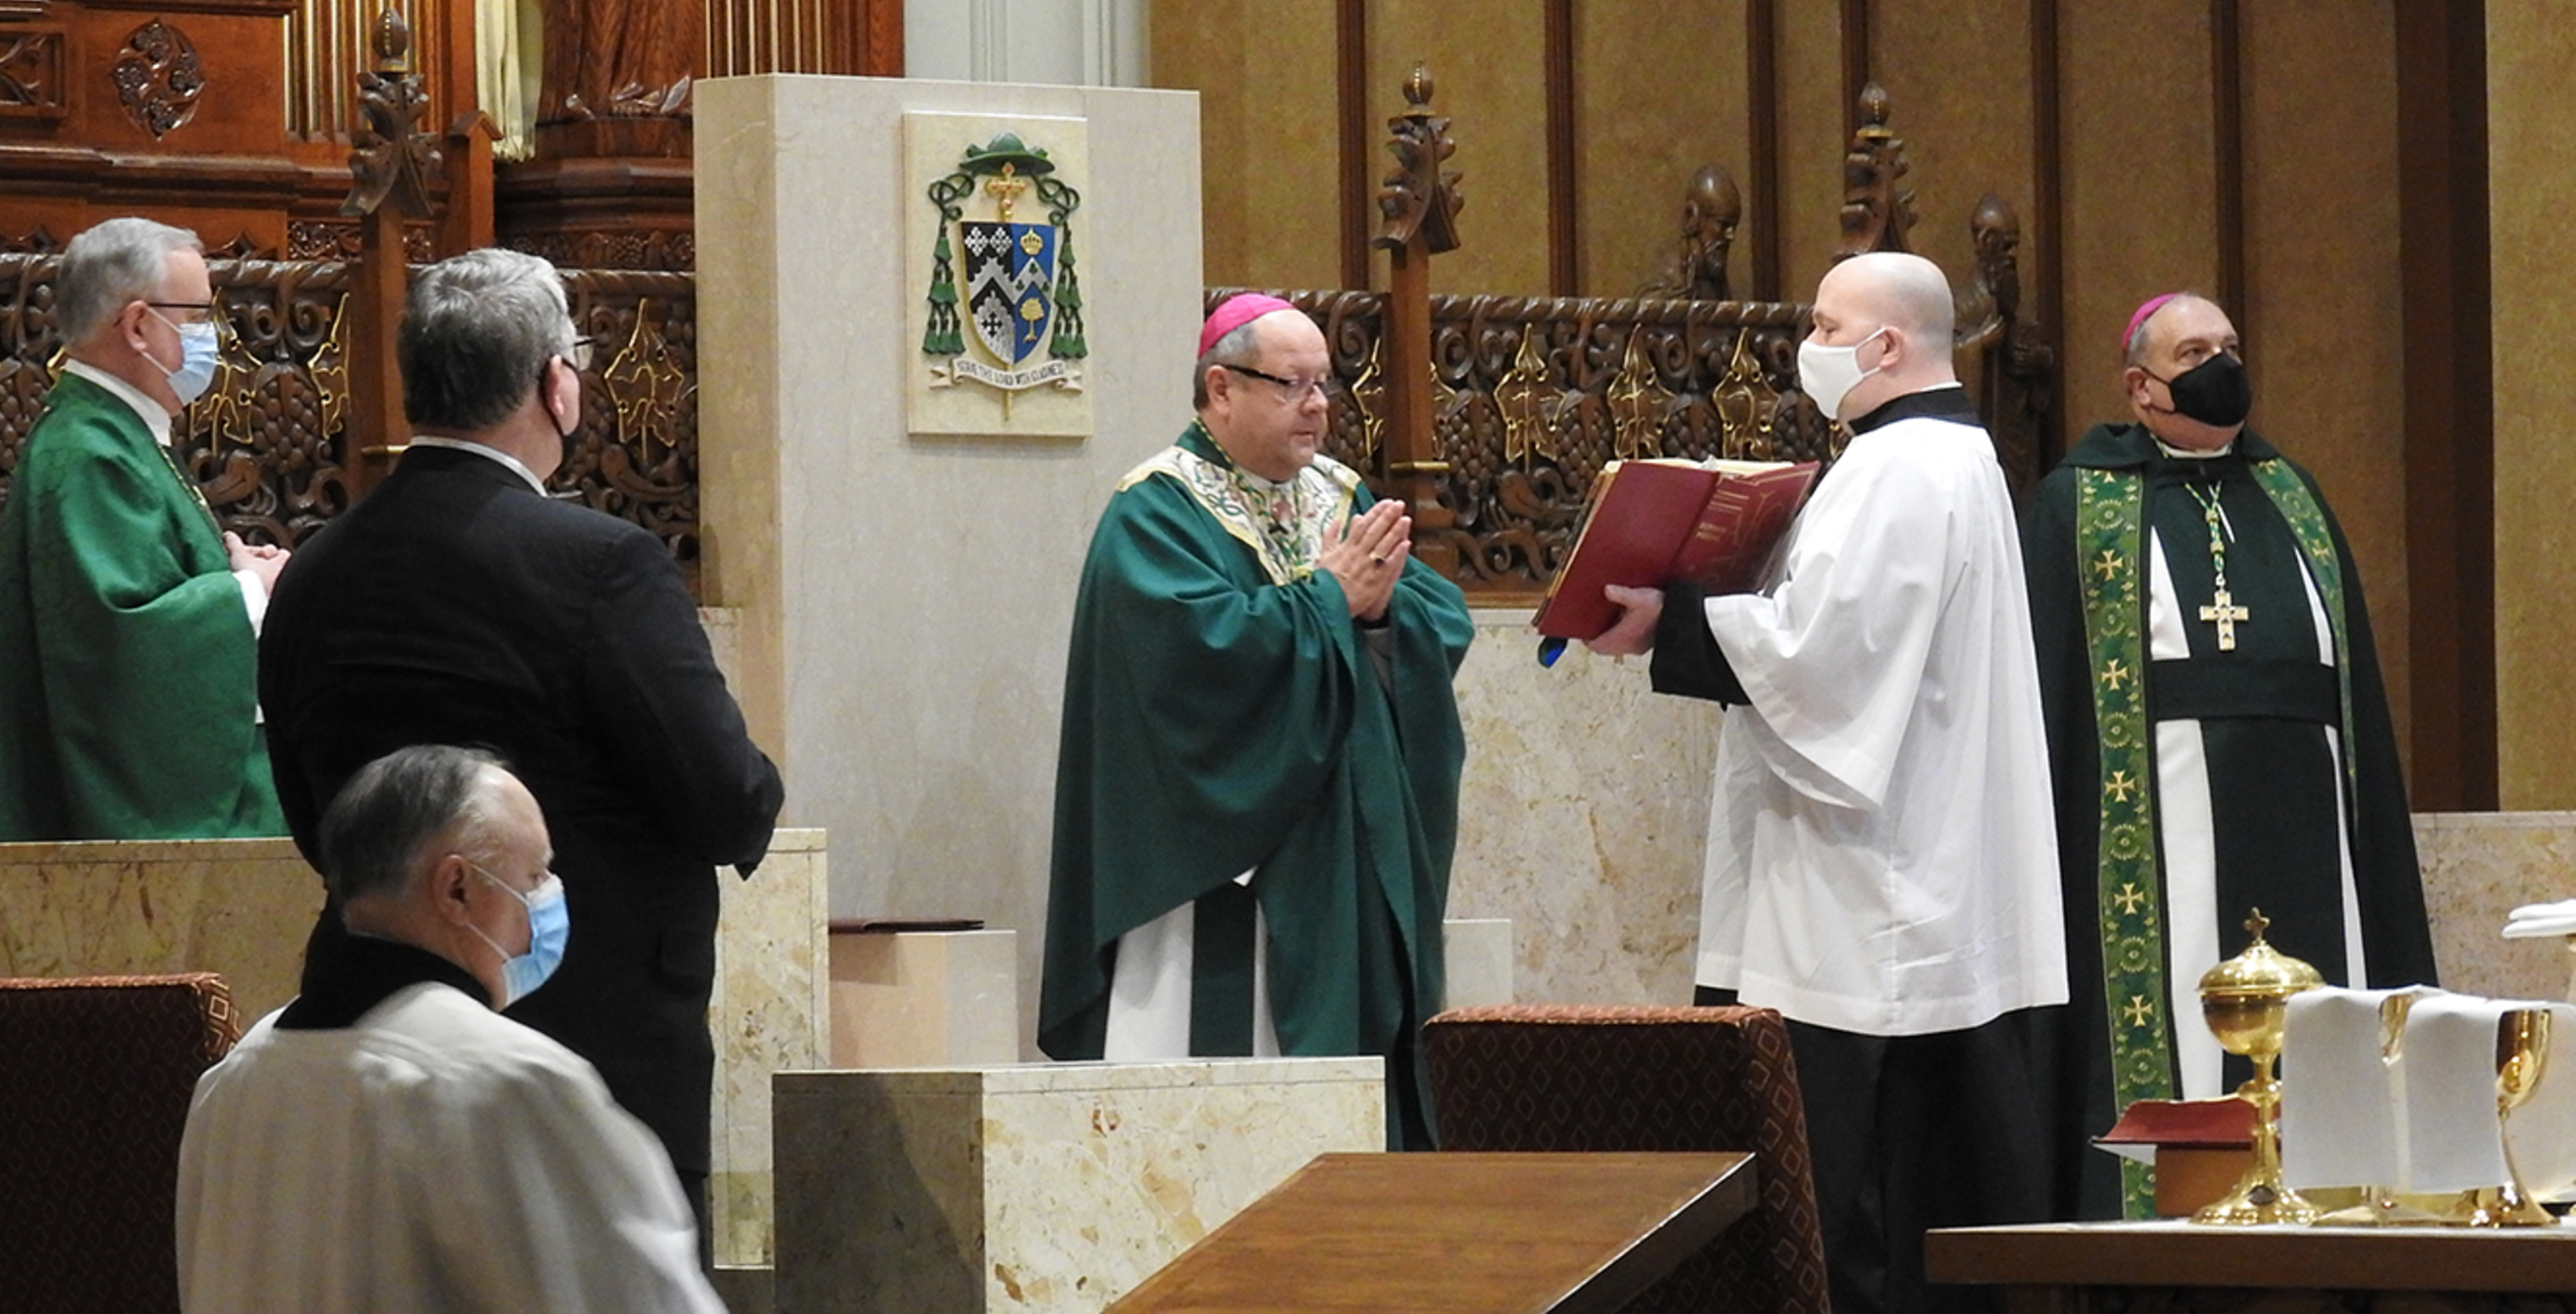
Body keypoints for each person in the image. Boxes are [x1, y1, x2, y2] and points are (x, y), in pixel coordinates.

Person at [258, 248, 782, 1234]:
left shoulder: (317, 572)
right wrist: (759, 781)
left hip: (370, 1038)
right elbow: (723, 799)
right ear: (557, 382)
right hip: (595, 1045)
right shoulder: (600, 565)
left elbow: (315, 818)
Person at [1588, 252, 2064, 1314]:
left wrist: (1673, 619)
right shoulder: (1951, 456)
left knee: (1847, 1192)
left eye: (1824, 325)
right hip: (1917, 863)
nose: (1806, 346)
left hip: (1863, 883)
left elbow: (1823, 654)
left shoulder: (1901, 467)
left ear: (1886, 344)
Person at [2023, 292, 2436, 1220]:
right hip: (2154, 818)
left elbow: (2349, 687)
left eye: (2229, 346)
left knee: (2325, 996)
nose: (2220, 365)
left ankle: (2341, 1200)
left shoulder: (2291, 493)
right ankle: (2162, 1209)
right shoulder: (2080, 504)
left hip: (2307, 810)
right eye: (2193, 352)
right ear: (2140, 386)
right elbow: (2050, 692)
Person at [1037, 293, 1472, 1149]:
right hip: (1213, 867)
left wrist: (1381, 612)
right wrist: (1329, 599)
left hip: (1339, 853)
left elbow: (1436, 617)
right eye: (1291, 385)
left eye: (1324, 384)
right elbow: (1189, 662)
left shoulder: (1336, 497)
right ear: (1221, 388)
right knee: (1214, 1131)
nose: (1316, 406)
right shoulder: (1157, 511)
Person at [177, 745, 725, 1313]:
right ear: (457, 887)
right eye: (535, 875)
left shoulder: (233, 1082)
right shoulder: (508, 1083)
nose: (548, 897)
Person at [0, 217, 288, 841]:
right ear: (137, 326)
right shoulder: (90, 453)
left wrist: (236, 574)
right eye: (197, 316)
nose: (212, 338)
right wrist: (253, 591)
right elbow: (122, 641)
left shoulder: (121, 436)